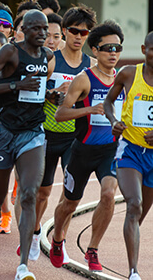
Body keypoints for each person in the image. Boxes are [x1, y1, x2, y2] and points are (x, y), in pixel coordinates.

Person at [0, 10, 56, 280]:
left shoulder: (47, 56)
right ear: (22, 29)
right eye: (36, 29)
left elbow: (37, 91)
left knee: (29, 194)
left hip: (33, 132)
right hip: (5, 131)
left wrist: (49, 95)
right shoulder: (9, 52)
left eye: (46, 29)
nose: (42, 34)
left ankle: (23, 266)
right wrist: (16, 85)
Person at [50, 20, 125, 272]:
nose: (113, 53)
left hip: (110, 151)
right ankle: (58, 239)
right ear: (95, 50)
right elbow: (60, 113)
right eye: (107, 48)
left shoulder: (123, 79)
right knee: (69, 204)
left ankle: (92, 249)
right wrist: (90, 109)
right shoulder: (84, 79)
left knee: (107, 195)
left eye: (117, 48)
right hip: (82, 151)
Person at [32, 4, 97, 261]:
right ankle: (35, 233)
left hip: (75, 138)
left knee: (71, 196)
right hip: (47, 134)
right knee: (43, 192)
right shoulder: (50, 60)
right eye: (74, 31)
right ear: (64, 32)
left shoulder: (91, 65)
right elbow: (33, 94)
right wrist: (53, 93)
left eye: (84, 32)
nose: (79, 36)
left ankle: (60, 239)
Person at [103, 31, 153, 280]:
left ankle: (131, 237)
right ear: (144, 49)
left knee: (140, 213)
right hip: (131, 150)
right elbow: (108, 102)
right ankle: (134, 272)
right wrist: (114, 120)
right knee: (134, 204)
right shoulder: (129, 74)